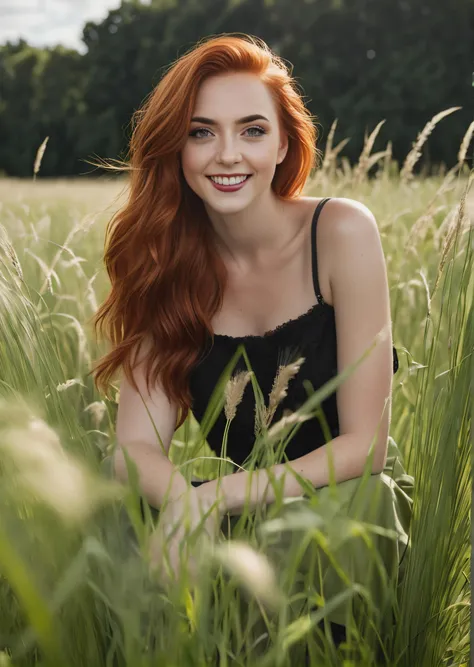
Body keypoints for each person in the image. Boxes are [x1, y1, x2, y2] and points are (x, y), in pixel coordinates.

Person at [91, 33, 414, 660]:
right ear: (175, 149)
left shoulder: (341, 232)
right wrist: (188, 504)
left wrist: (215, 497)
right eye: (202, 132)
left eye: (252, 130)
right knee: (115, 520)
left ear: (284, 143)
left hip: (344, 501)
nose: (227, 154)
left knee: (336, 523)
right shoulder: (166, 266)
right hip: (228, 508)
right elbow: (132, 447)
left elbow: (366, 447)